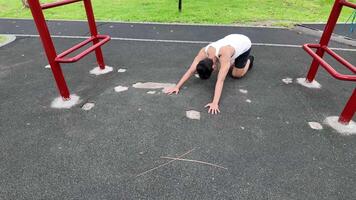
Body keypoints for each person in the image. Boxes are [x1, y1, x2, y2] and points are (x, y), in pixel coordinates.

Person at [165, 34, 254, 114]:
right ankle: (232, 62)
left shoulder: (224, 53)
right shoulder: (204, 51)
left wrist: (215, 103)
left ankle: (249, 60)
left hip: (244, 43)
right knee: (223, 67)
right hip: (231, 40)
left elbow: (220, 81)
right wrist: (177, 86)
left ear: (213, 67)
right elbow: (191, 70)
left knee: (236, 74)